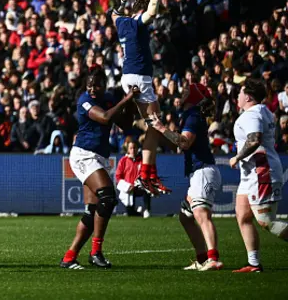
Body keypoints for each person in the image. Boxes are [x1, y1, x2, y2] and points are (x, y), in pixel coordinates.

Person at [61, 71, 139, 270]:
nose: (92, 89)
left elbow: (126, 124)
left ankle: (69, 257)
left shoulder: (108, 99)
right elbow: (104, 117)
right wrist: (126, 99)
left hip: (99, 156)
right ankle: (96, 252)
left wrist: (130, 103)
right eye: (89, 85)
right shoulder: (84, 100)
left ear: (104, 85)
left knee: (93, 210)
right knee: (108, 198)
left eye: (96, 85)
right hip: (84, 154)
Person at [150, 83, 223, 271]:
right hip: (199, 172)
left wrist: (160, 127)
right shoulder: (190, 116)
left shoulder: (192, 116)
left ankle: (213, 258)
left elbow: (184, 142)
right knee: (185, 217)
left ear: (194, 97)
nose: (181, 94)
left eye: (186, 92)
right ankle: (202, 259)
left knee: (200, 214)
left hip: (203, 171)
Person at [112, 0, 170, 196]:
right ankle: (146, 174)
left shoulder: (122, 23)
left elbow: (113, 14)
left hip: (128, 75)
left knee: (153, 124)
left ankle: (149, 174)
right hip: (139, 77)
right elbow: (152, 10)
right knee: (155, 124)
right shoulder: (138, 23)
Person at [229, 79, 288, 272]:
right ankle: (253, 264)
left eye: (240, 92)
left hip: (261, 172)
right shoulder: (264, 111)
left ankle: (254, 263)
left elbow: (254, 140)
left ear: (248, 96)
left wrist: (237, 157)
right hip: (252, 173)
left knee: (266, 222)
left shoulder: (252, 115)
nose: (237, 96)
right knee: (242, 214)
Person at [115, 140, 151, 218]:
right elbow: (118, 177)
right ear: (128, 149)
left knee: (148, 188)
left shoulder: (142, 160)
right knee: (130, 214)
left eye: (134, 148)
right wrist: (127, 186)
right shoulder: (123, 160)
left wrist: (139, 182)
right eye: (131, 148)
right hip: (128, 189)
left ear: (138, 148)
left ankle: (146, 210)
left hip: (139, 186)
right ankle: (139, 213)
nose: (133, 150)